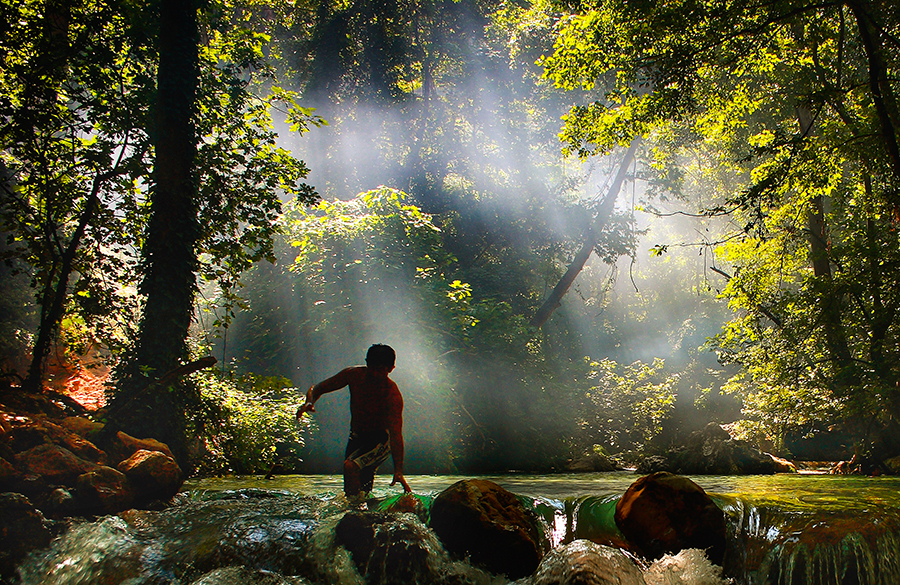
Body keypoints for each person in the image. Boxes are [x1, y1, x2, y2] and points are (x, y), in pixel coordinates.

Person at [296, 344, 411, 497]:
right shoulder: (354, 375)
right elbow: (318, 388)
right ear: (367, 364)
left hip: (380, 441)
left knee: (350, 466)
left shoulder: (391, 395)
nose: (376, 374)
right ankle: (360, 513)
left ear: (390, 369)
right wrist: (309, 402)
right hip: (356, 437)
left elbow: (396, 434)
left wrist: (398, 471)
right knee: (358, 487)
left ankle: (355, 511)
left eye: (381, 370)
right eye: (373, 368)